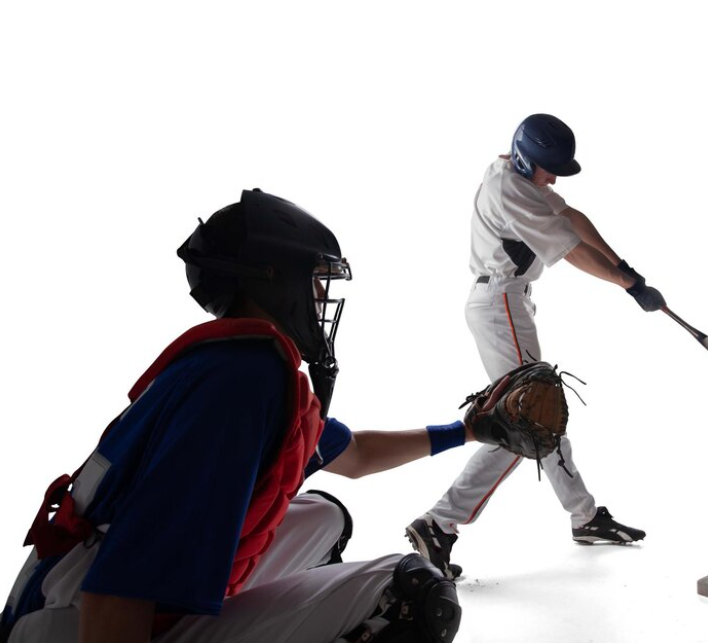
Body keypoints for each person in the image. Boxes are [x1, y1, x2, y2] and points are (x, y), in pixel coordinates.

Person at [1, 189, 466, 643]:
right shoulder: (240, 382)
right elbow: (118, 586)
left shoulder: (242, 365)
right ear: (275, 278)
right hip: (78, 622)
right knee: (411, 595)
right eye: (314, 277)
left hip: (81, 602)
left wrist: (469, 430)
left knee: (324, 518)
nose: (321, 295)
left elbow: (359, 454)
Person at [406, 114, 666, 579]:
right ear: (527, 159)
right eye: (548, 169)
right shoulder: (511, 190)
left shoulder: (519, 175)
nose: (552, 177)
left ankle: (583, 516)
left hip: (508, 304)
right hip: (499, 302)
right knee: (524, 423)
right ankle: (439, 523)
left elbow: (571, 218)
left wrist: (622, 264)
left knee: (538, 419)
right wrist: (624, 284)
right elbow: (569, 250)